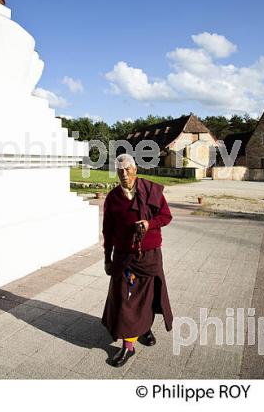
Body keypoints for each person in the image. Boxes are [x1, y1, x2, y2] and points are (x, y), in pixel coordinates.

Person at [101, 153, 173, 367]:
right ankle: (128, 346)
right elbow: (108, 231)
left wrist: (150, 224)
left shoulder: (151, 190)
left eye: (127, 169)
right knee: (125, 298)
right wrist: (107, 258)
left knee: (149, 297)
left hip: (150, 255)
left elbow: (166, 216)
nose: (124, 174)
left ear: (135, 169)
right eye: (119, 171)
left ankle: (144, 328)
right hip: (124, 258)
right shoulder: (113, 198)